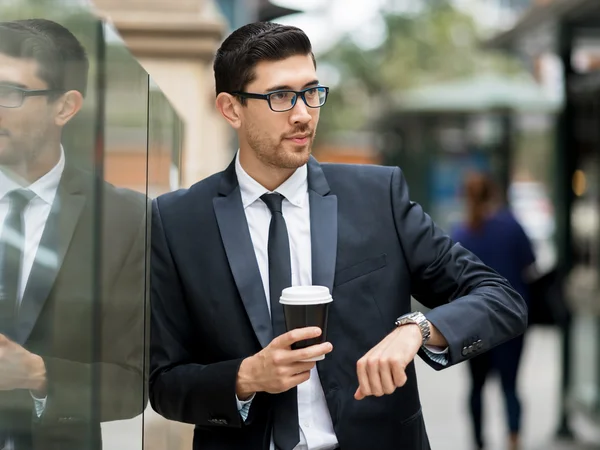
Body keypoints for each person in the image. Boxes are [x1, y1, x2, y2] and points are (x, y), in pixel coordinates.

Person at [149, 22, 527, 450]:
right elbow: (163, 383)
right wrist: (246, 376)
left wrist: (417, 329)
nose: (302, 114)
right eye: (280, 97)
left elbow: (500, 297)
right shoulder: (177, 220)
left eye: (311, 92)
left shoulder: (377, 196)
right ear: (231, 108)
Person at [0, 19, 147, 450]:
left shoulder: (126, 219)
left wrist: (37, 375)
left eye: (10, 93)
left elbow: (133, 383)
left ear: (65, 107)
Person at [452, 172, 536, 450]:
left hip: (473, 324)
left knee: (476, 386)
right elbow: (530, 264)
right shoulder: (511, 226)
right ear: (493, 193)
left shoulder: (461, 233)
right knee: (510, 385)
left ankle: (478, 441)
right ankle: (513, 439)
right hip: (511, 320)